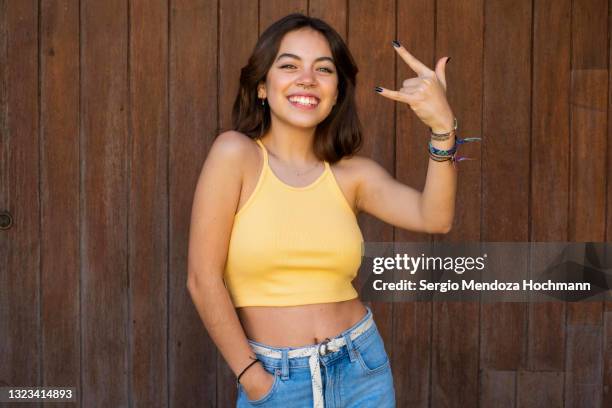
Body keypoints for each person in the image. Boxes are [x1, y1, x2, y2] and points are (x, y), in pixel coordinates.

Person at [187, 12, 464, 408]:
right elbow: (202, 278)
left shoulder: (354, 176)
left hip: (362, 371)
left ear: (336, 94)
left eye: (323, 69)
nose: (307, 79)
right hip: (276, 382)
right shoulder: (235, 155)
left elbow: (435, 217)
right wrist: (253, 379)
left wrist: (443, 129)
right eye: (289, 66)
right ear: (262, 86)